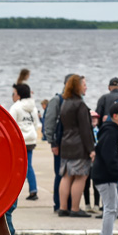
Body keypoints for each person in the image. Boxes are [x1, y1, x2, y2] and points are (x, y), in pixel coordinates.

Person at [93, 102, 118, 235]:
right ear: (115, 116)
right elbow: (109, 157)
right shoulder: (110, 132)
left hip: (109, 177)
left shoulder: (116, 130)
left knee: (116, 208)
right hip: (105, 177)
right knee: (111, 208)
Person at [56, 74, 92, 217]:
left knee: (66, 176)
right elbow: (85, 129)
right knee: (80, 176)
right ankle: (75, 209)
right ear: (78, 87)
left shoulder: (65, 103)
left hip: (66, 143)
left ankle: (63, 207)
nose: (86, 87)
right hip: (79, 146)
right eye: (84, 84)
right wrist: (91, 149)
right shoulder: (80, 104)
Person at [42, 74, 73, 213]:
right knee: (60, 174)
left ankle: (70, 203)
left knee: (71, 174)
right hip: (59, 144)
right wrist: (52, 142)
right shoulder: (57, 100)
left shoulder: (76, 100)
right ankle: (58, 204)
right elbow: (49, 122)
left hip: (72, 145)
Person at [10, 83, 39, 200]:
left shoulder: (16, 107)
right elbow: (35, 123)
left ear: (19, 95)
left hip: (20, 140)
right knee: (28, 166)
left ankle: (14, 191)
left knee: (18, 167)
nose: (12, 96)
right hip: (31, 139)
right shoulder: (33, 107)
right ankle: (33, 189)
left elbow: (11, 124)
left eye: (14, 93)